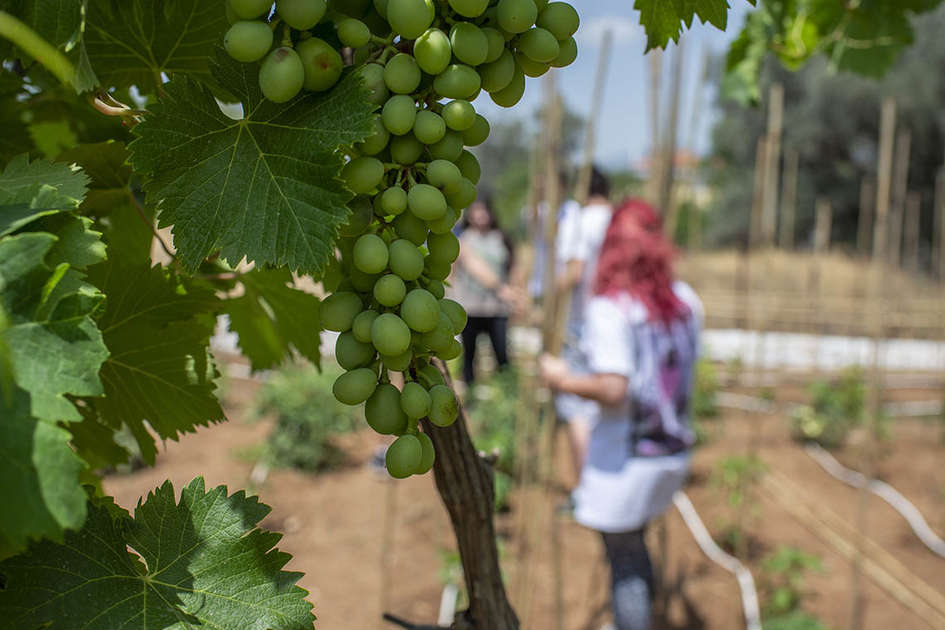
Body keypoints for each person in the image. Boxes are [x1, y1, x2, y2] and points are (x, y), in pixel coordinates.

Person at [540, 199, 703, 630]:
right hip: (670, 454)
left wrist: (562, 379)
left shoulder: (611, 308)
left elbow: (614, 387)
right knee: (635, 546)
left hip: (626, 465)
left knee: (625, 564)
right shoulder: (686, 301)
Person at [555, 167, 614, 475]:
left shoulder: (578, 222)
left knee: (576, 408)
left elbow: (575, 273)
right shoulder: (620, 221)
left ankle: (586, 484)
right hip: (616, 324)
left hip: (581, 323)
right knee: (606, 407)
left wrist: (549, 299)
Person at [450, 197, 520, 384]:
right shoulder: (463, 239)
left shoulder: (501, 237)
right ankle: (470, 393)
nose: (480, 214)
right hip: (470, 307)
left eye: (484, 210)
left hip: (497, 308)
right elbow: (473, 265)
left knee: (502, 353)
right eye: (476, 210)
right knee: (469, 357)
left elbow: (513, 266)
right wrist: (501, 288)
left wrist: (516, 292)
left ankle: (506, 389)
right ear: (470, 214)